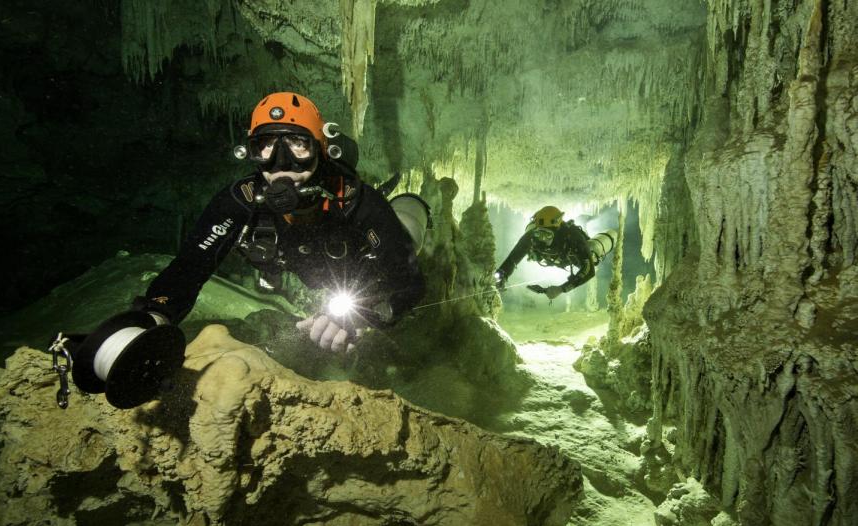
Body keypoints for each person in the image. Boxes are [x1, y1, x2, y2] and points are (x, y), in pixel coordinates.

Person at [132, 92, 426, 353]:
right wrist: (155, 315)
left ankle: (410, 207)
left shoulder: (353, 199)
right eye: (267, 146)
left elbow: (407, 277)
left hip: (352, 272)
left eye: (298, 144)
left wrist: (357, 314)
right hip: (302, 266)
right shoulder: (244, 198)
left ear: (320, 149)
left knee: (406, 233)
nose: (282, 162)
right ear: (252, 153)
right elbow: (190, 265)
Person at [494, 206, 615, 300]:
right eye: (539, 233)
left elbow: (589, 270)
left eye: (547, 235)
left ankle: (605, 239)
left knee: (592, 255)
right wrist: (502, 275)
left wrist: (562, 289)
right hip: (548, 258)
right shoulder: (531, 236)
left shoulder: (572, 237)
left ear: (556, 230)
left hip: (569, 258)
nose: (541, 239)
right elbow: (513, 257)